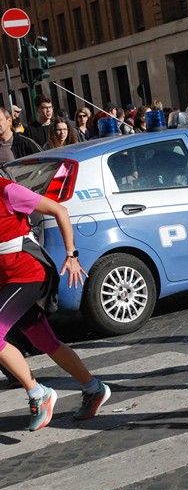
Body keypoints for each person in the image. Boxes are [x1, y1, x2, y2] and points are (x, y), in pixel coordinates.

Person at [0, 172, 111, 431]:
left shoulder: (8, 191)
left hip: (27, 272)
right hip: (6, 279)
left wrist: (72, 254)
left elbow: (58, 210)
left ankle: (38, 393)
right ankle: (94, 389)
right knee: (44, 341)